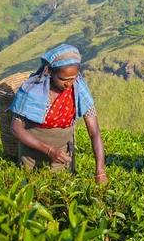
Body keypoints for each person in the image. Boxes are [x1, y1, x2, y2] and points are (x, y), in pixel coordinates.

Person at [10, 43, 108, 184]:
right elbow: (16, 128)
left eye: (73, 78)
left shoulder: (79, 90)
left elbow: (94, 132)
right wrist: (49, 150)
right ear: (50, 72)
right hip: (30, 156)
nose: (68, 84)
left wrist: (100, 171)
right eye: (63, 79)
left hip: (61, 157)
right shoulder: (32, 90)